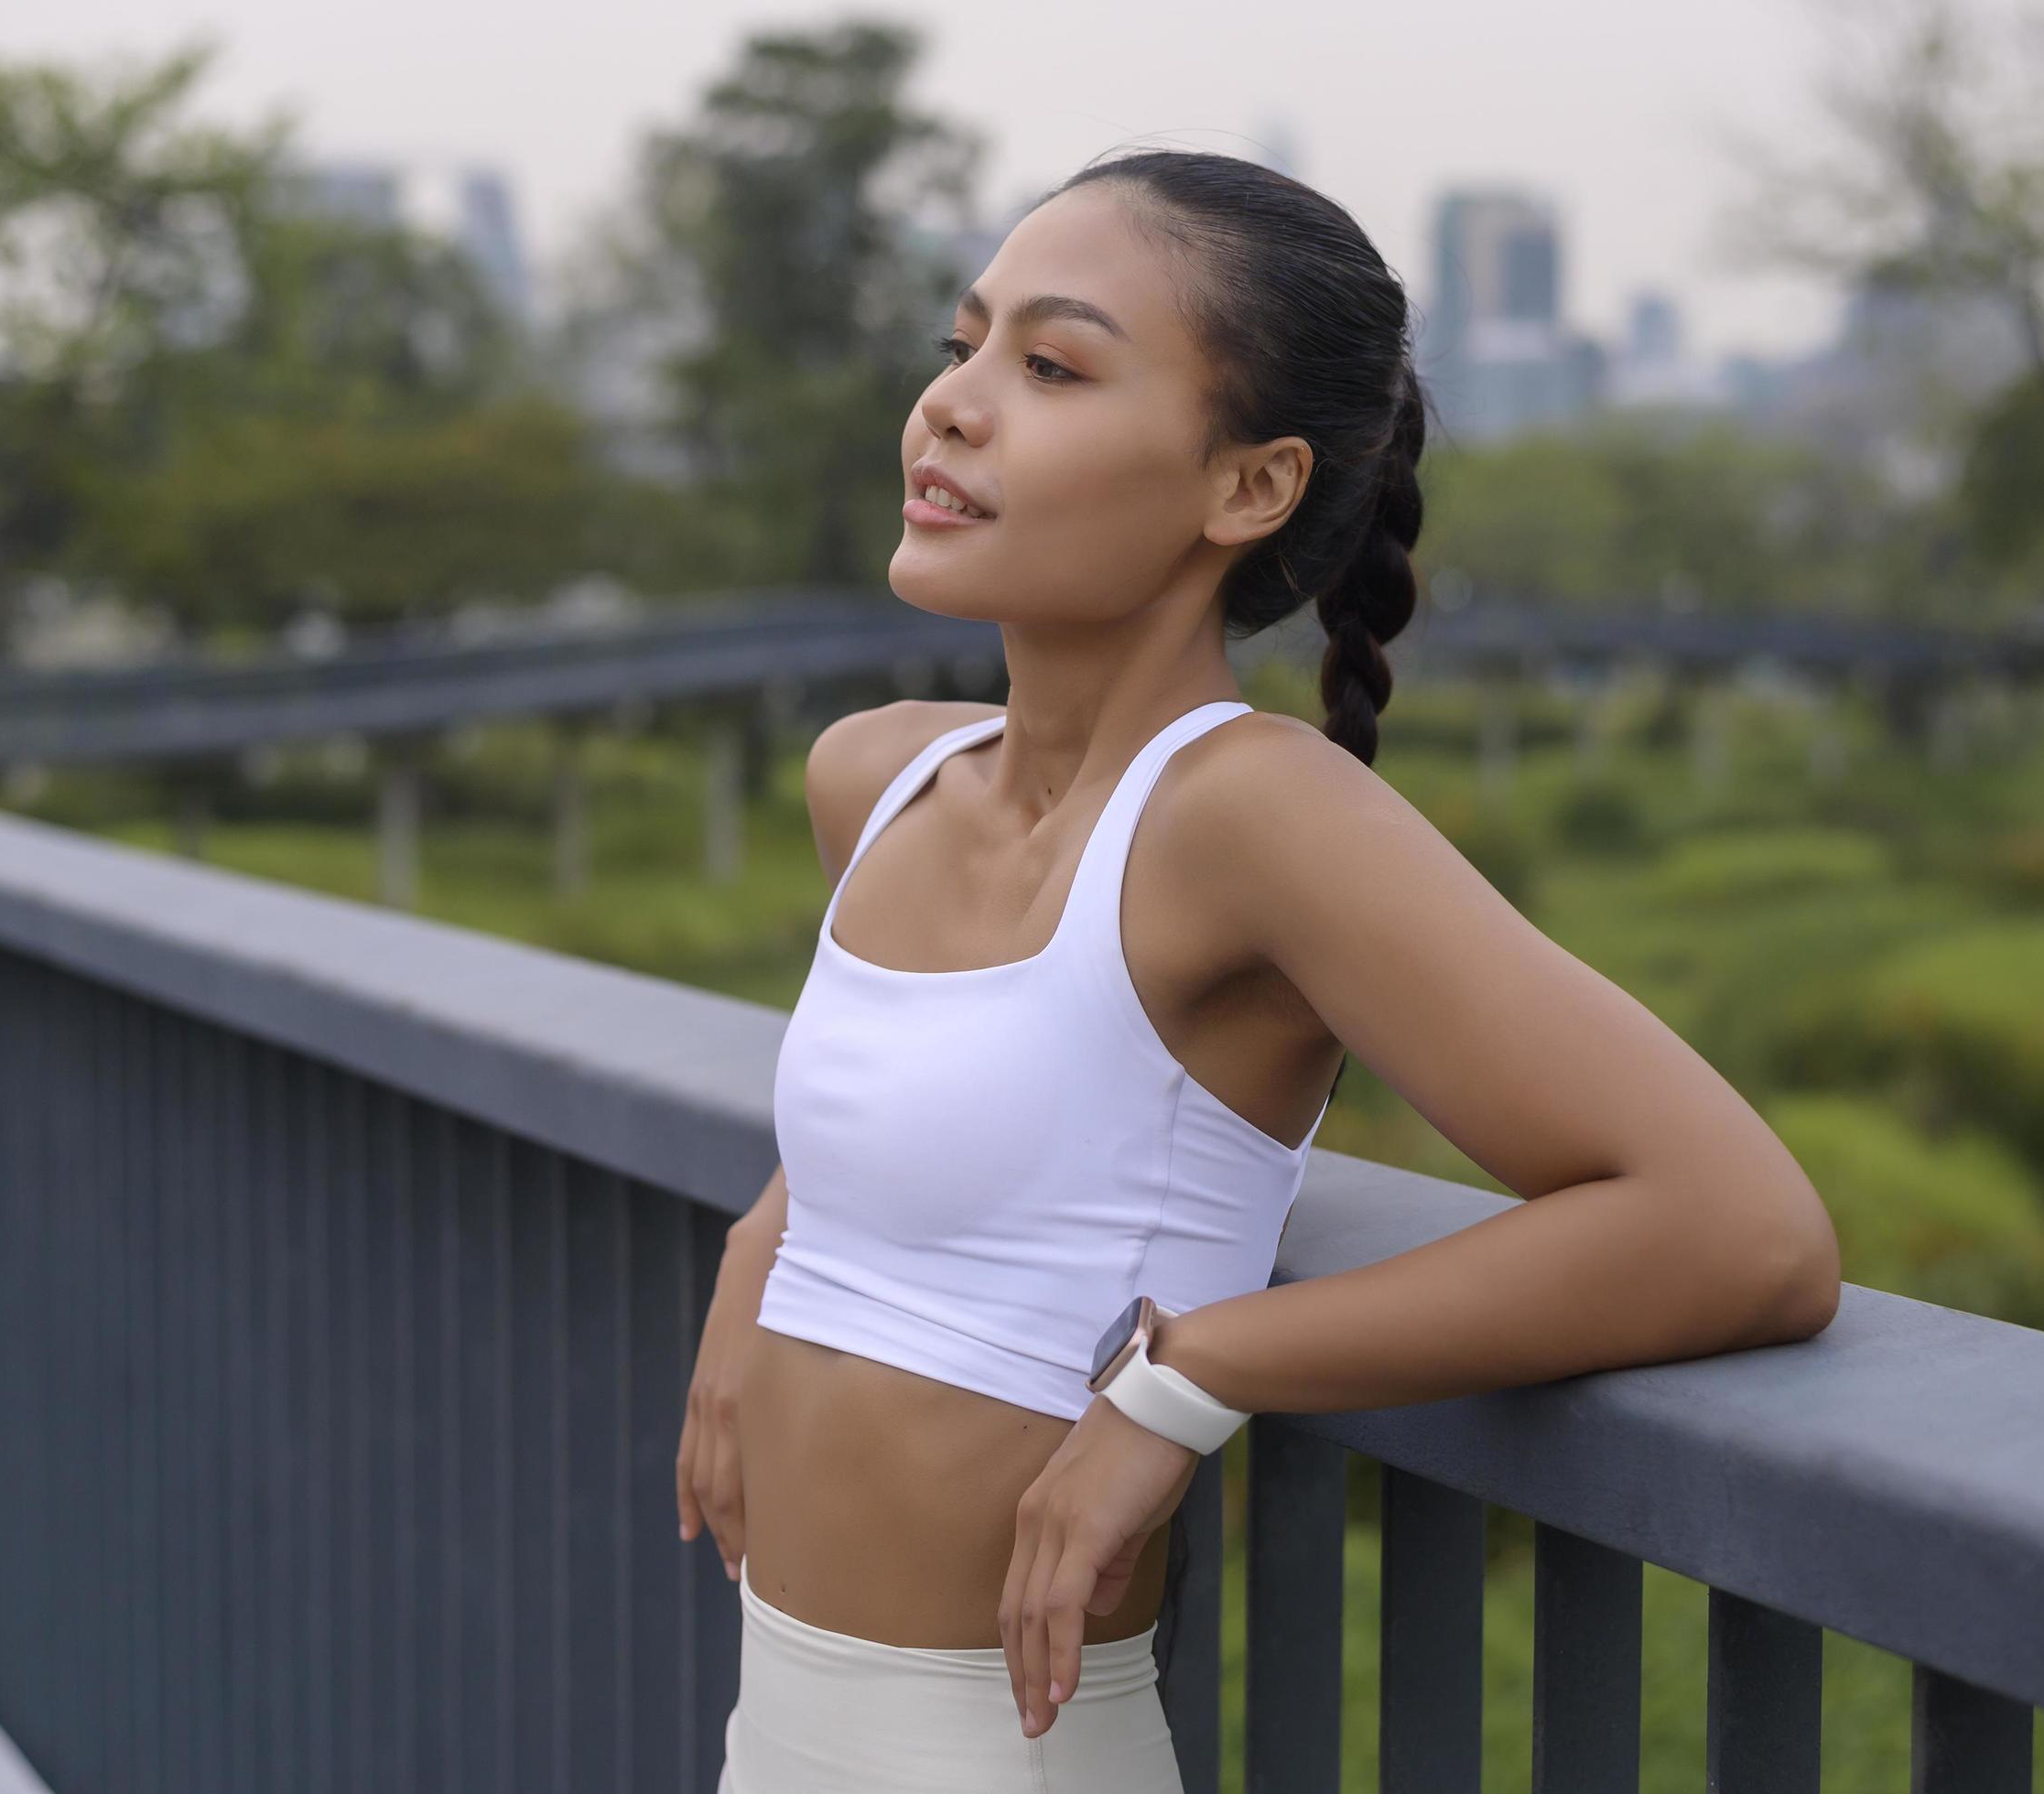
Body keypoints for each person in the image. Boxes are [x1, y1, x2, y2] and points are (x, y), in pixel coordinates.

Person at [676, 146, 1842, 1793]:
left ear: (1248, 488)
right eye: (963, 347)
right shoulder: (875, 781)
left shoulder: (1251, 816)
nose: (951, 406)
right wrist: (776, 1234)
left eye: (1053, 365)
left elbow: (1741, 1231)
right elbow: (989, 1121)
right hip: (774, 1718)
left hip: (996, 1752)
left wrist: (1194, 1374)